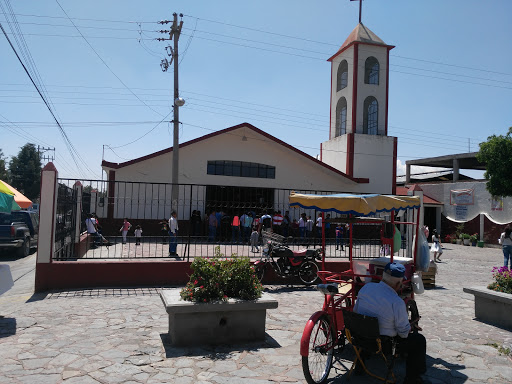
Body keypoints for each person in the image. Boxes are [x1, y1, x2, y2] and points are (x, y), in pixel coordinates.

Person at [354, 262, 427, 384]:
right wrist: (410, 326)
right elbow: (403, 334)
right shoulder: (396, 302)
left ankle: (359, 365)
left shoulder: (366, 288)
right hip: (384, 345)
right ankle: (412, 380)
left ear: (383, 277)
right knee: (419, 340)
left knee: (367, 326)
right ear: (399, 283)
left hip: (360, 337)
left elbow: (356, 312)